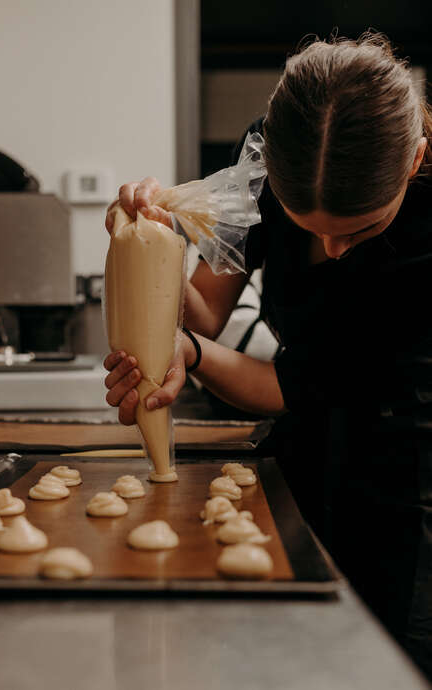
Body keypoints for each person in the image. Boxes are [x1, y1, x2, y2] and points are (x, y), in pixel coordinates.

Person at [103, 33, 432, 678]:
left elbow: (294, 386)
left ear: (417, 159)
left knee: (388, 660)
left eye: (360, 230)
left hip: (409, 472)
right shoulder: (268, 157)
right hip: (303, 455)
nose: (332, 252)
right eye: (303, 225)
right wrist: (155, 243)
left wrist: (191, 355)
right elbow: (203, 308)